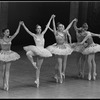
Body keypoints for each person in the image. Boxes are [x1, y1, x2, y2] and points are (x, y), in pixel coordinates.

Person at [21, 15, 54, 88]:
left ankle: (37, 80)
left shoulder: (42, 34)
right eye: (38, 28)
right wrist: (23, 25)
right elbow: (28, 31)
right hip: (36, 49)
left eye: (40, 28)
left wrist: (51, 18)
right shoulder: (34, 35)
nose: (39, 29)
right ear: (36, 30)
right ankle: (33, 63)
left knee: (38, 68)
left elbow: (47, 26)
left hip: (42, 51)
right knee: (28, 53)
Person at [47, 15, 76, 83]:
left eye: (62, 26)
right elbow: (53, 26)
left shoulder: (64, 32)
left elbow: (69, 26)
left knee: (60, 63)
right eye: (59, 27)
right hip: (57, 48)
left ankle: (58, 75)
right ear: (57, 28)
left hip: (64, 47)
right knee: (59, 63)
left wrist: (72, 21)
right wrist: (52, 18)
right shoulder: (56, 33)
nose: (61, 28)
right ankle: (59, 76)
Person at [0, 21, 22, 91]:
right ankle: (3, 84)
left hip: (9, 54)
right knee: (3, 71)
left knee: (7, 70)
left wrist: (19, 25)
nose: (8, 33)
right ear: (4, 33)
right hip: (3, 55)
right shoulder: (0, 40)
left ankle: (7, 84)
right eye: (7, 32)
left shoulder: (10, 38)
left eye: (8, 31)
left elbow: (16, 33)